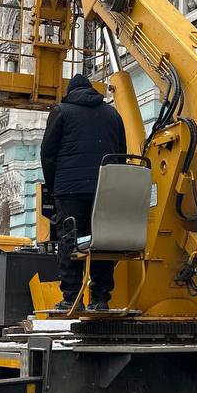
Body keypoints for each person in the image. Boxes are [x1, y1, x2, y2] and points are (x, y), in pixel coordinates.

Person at [41, 72, 127, 312]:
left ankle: (72, 297)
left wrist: (53, 185)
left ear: (71, 92)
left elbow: (48, 153)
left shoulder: (61, 111)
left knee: (70, 240)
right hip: (104, 188)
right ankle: (100, 298)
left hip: (70, 190)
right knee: (102, 241)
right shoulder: (113, 114)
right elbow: (121, 151)